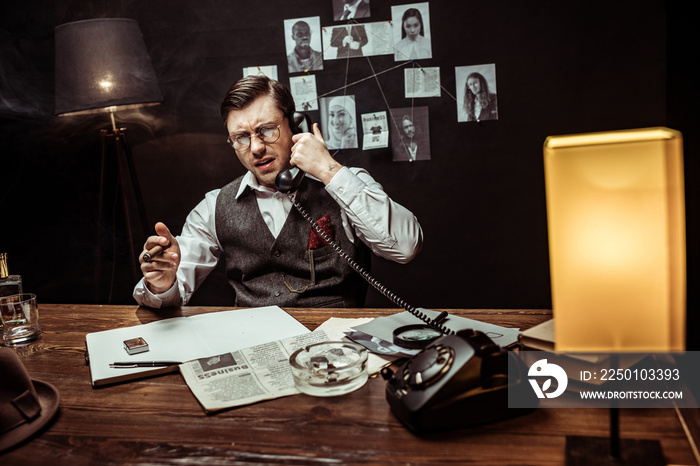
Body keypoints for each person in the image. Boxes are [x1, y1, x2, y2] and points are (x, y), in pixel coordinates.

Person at [133, 75, 422, 309]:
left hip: (335, 349)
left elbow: (405, 248)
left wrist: (329, 171)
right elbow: (172, 291)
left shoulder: (347, 183)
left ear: (295, 125)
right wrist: (162, 282)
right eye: (241, 138)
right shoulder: (214, 206)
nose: (256, 147)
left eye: (267, 130)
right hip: (253, 349)